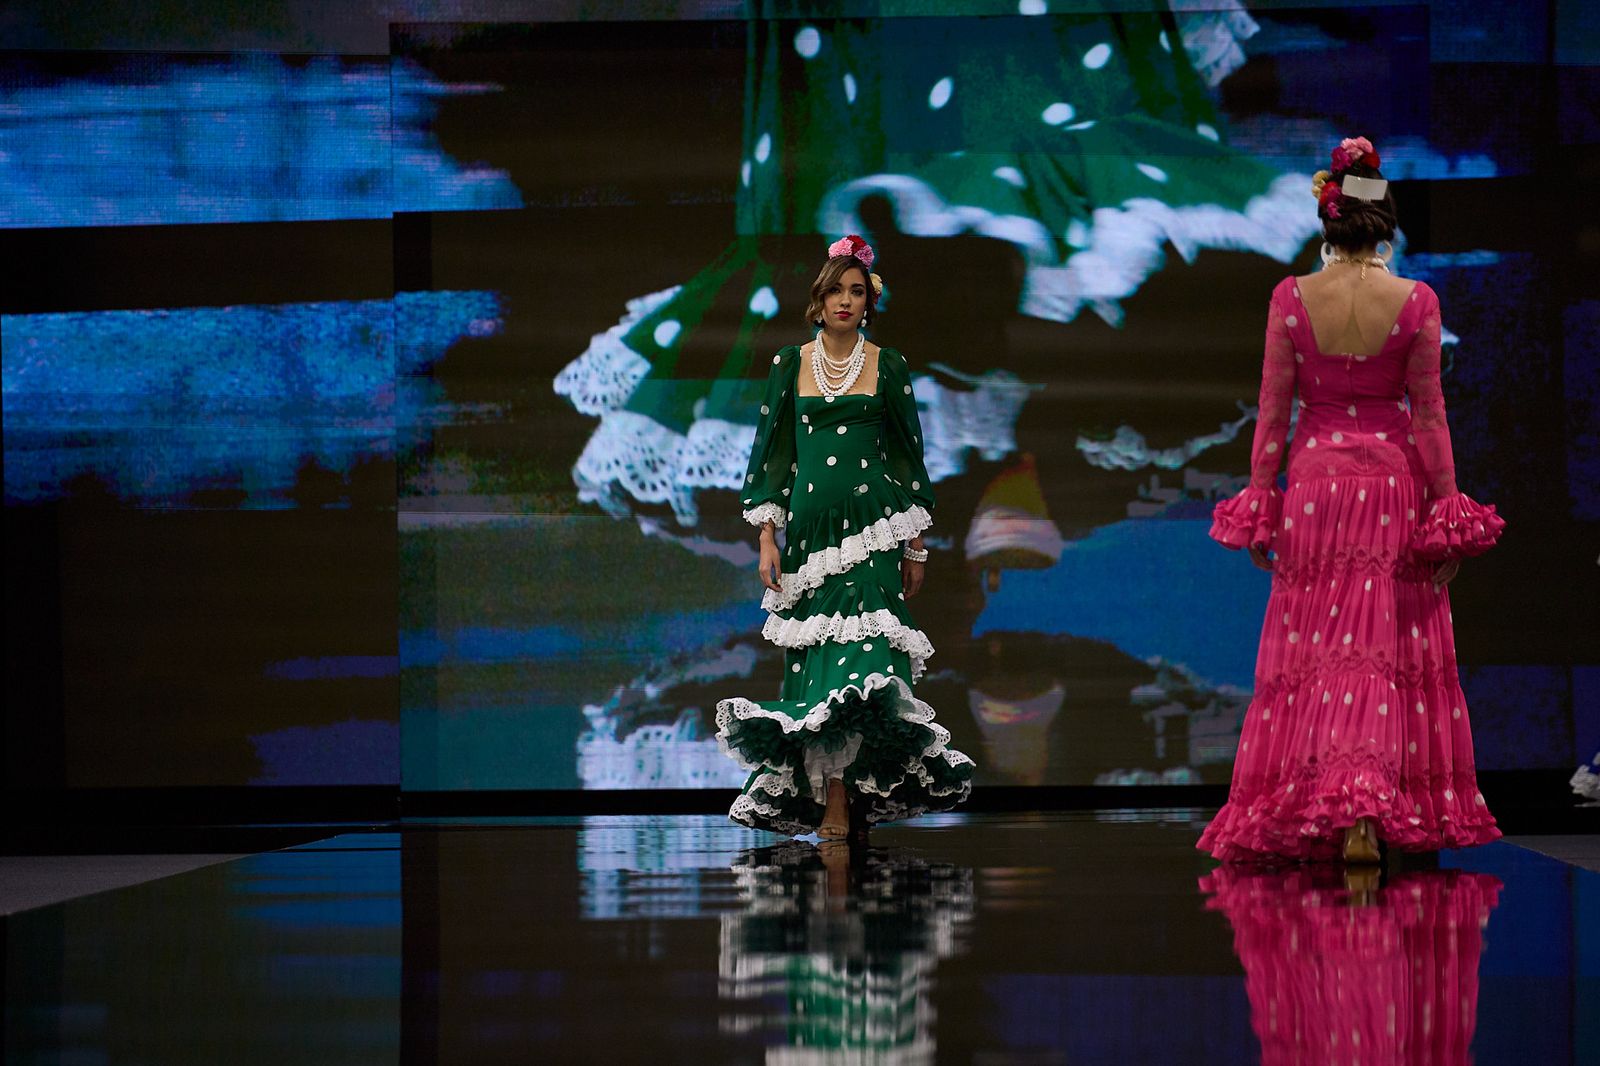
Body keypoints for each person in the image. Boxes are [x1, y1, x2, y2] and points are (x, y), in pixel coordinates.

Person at [1199, 138, 1505, 864]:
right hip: (1391, 490)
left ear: (1328, 220)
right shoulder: (1416, 300)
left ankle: (1330, 806)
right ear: (1386, 223)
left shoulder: (1292, 298)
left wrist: (1261, 499)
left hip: (1316, 491)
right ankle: (1367, 808)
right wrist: (1448, 509)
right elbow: (1429, 415)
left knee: (1323, 653)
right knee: (1378, 653)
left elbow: (1273, 412)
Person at [714, 236, 974, 840]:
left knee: (869, 667)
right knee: (821, 675)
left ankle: (854, 793)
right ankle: (834, 795)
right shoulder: (789, 364)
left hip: (873, 534)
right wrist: (767, 537)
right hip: (809, 541)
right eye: (835, 290)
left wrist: (914, 546)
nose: (845, 300)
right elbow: (773, 457)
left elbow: (908, 461)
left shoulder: (889, 365)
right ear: (818, 299)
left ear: (868, 302)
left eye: (856, 291)